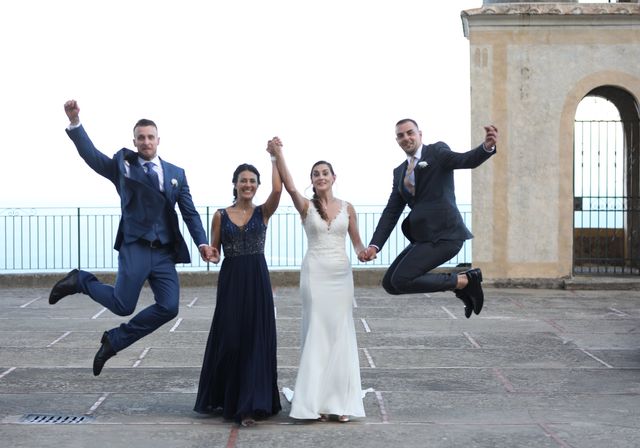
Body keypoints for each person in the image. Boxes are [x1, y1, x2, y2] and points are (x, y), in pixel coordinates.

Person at [49, 100, 214, 376]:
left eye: (150, 137)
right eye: (141, 138)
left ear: (158, 140)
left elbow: (190, 213)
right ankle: (80, 281)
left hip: (162, 252)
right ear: (134, 141)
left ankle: (114, 341)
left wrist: (202, 243)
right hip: (135, 246)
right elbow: (92, 156)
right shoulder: (122, 166)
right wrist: (76, 123)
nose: (146, 142)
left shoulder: (176, 174)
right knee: (123, 305)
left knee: (169, 307)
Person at [359, 119, 498, 318]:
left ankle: (465, 281)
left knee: (401, 280)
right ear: (397, 140)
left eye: (410, 133)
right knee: (390, 283)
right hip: (424, 238)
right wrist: (374, 246)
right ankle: (461, 284)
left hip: (446, 235)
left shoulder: (437, 152)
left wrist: (486, 147)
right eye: (401, 135)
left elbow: (464, 160)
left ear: (419, 134)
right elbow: (391, 212)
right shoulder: (399, 172)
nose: (406, 138)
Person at [271, 138, 366, 423]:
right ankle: (315, 401)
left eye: (325, 173)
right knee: (317, 332)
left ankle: (339, 402)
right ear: (312, 181)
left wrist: (367, 252)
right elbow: (287, 185)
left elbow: (358, 245)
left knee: (340, 333)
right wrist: (278, 155)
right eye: (316, 174)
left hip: (341, 275)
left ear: (334, 177)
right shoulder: (305, 206)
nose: (321, 177)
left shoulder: (348, 208)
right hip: (315, 274)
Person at [194, 142, 283, 427]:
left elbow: (279, 190)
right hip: (232, 279)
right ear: (234, 184)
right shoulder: (220, 215)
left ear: (257, 186)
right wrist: (209, 252)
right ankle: (227, 398)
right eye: (243, 180)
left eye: (252, 181)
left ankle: (249, 406)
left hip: (257, 277)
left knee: (256, 339)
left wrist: (273, 158)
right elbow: (216, 252)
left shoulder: (263, 213)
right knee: (231, 338)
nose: (248, 185)